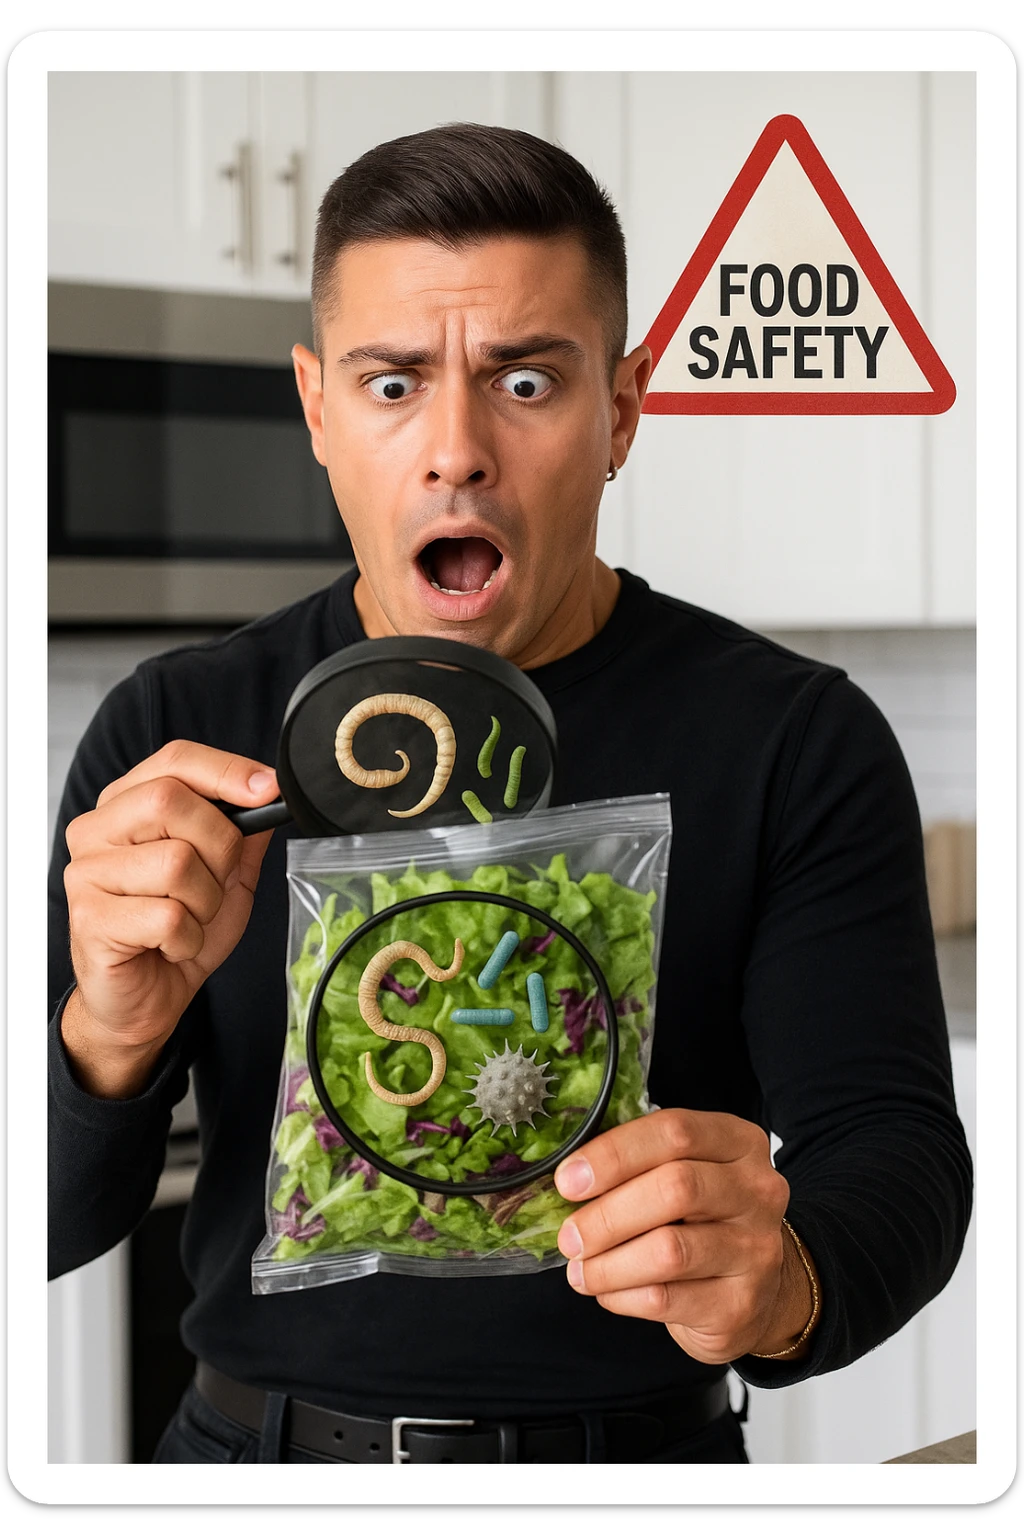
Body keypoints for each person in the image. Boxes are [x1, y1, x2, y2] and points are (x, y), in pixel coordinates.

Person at [48, 123, 972, 1466]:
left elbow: (893, 1157)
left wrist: (786, 1283)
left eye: (527, 381)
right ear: (317, 409)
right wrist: (106, 1035)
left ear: (623, 412)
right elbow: (48, 1224)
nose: (457, 450)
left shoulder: (790, 738)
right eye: (392, 384)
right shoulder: (178, 732)